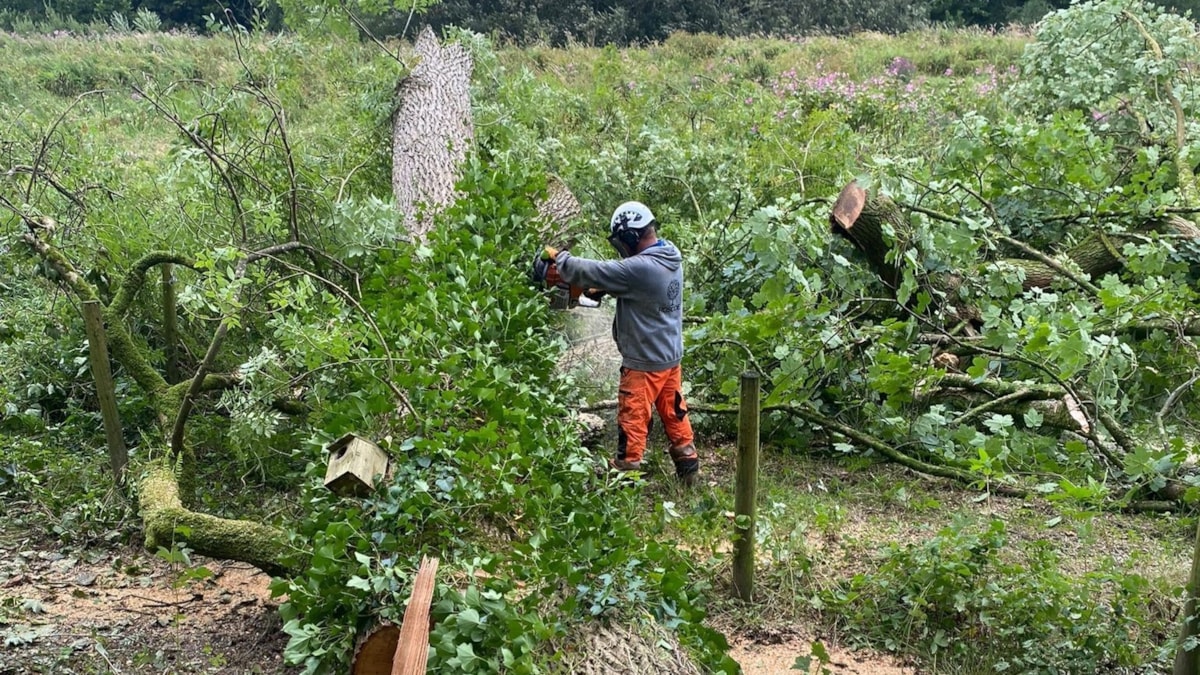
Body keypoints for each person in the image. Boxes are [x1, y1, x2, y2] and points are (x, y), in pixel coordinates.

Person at [535, 201, 700, 486]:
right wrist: (605, 289)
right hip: (669, 359)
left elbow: (595, 270)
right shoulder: (668, 254)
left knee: (632, 420)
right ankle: (689, 474)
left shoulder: (641, 267)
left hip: (643, 364)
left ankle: (625, 478)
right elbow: (631, 281)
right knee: (675, 415)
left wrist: (559, 258)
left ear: (630, 237)